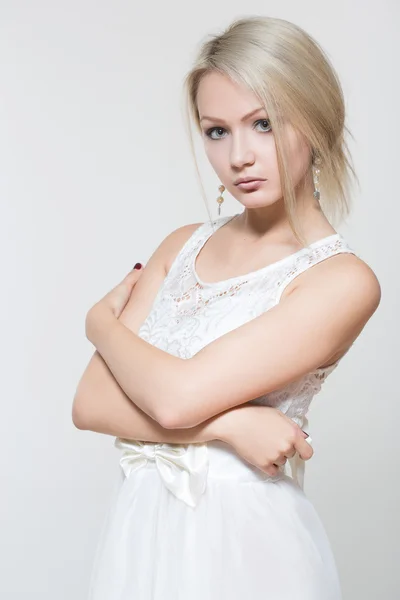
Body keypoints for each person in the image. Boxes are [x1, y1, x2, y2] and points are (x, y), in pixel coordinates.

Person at [73, 16, 381, 600]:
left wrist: (100, 326)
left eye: (263, 124)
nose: (239, 155)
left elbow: (174, 401)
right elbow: (88, 404)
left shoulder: (341, 280)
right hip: (143, 530)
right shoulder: (180, 245)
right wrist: (233, 425)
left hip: (247, 540)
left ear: (315, 122)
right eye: (217, 132)